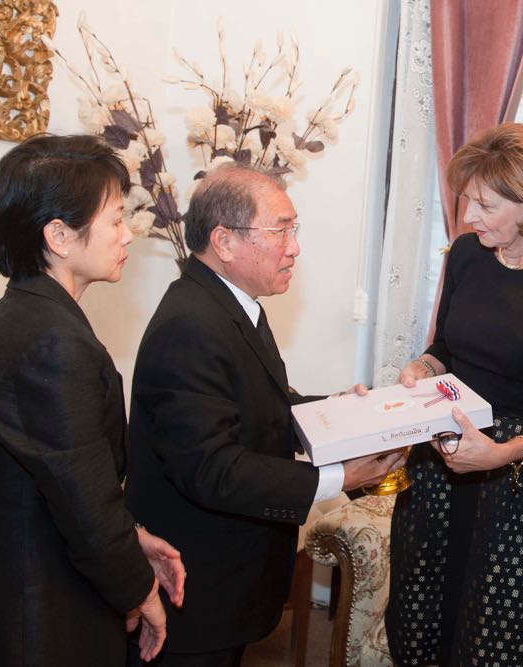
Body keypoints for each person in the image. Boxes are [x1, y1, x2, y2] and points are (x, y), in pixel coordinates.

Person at [124, 163, 406, 666]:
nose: (294, 246)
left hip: (227, 578)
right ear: (225, 241)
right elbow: (212, 467)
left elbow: (266, 403)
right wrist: (338, 476)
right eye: (281, 230)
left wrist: (344, 413)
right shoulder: (191, 324)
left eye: (293, 230)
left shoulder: (231, 305)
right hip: (196, 584)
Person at [0, 135, 186, 666]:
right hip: (28, 614)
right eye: (115, 219)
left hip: (22, 589)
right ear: (59, 236)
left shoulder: (31, 318)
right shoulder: (49, 341)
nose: (127, 234)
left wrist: (132, 537)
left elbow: (62, 481)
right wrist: (141, 592)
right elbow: (84, 504)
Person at [386, 122, 523, 666]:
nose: (468, 217)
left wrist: (499, 453)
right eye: (466, 201)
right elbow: (446, 350)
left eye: (483, 204)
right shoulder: (466, 255)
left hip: (522, 479)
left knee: (499, 636)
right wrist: (421, 365)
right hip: (443, 457)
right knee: (425, 610)